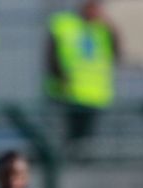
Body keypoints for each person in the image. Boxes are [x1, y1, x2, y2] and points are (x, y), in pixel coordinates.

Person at [45, 0, 120, 142]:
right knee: (67, 136)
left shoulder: (103, 29)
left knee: (86, 139)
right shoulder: (64, 24)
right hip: (66, 92)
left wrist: (111, 28)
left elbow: (116, 54)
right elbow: (51, 56)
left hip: (95, 94)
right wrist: (60, 77)